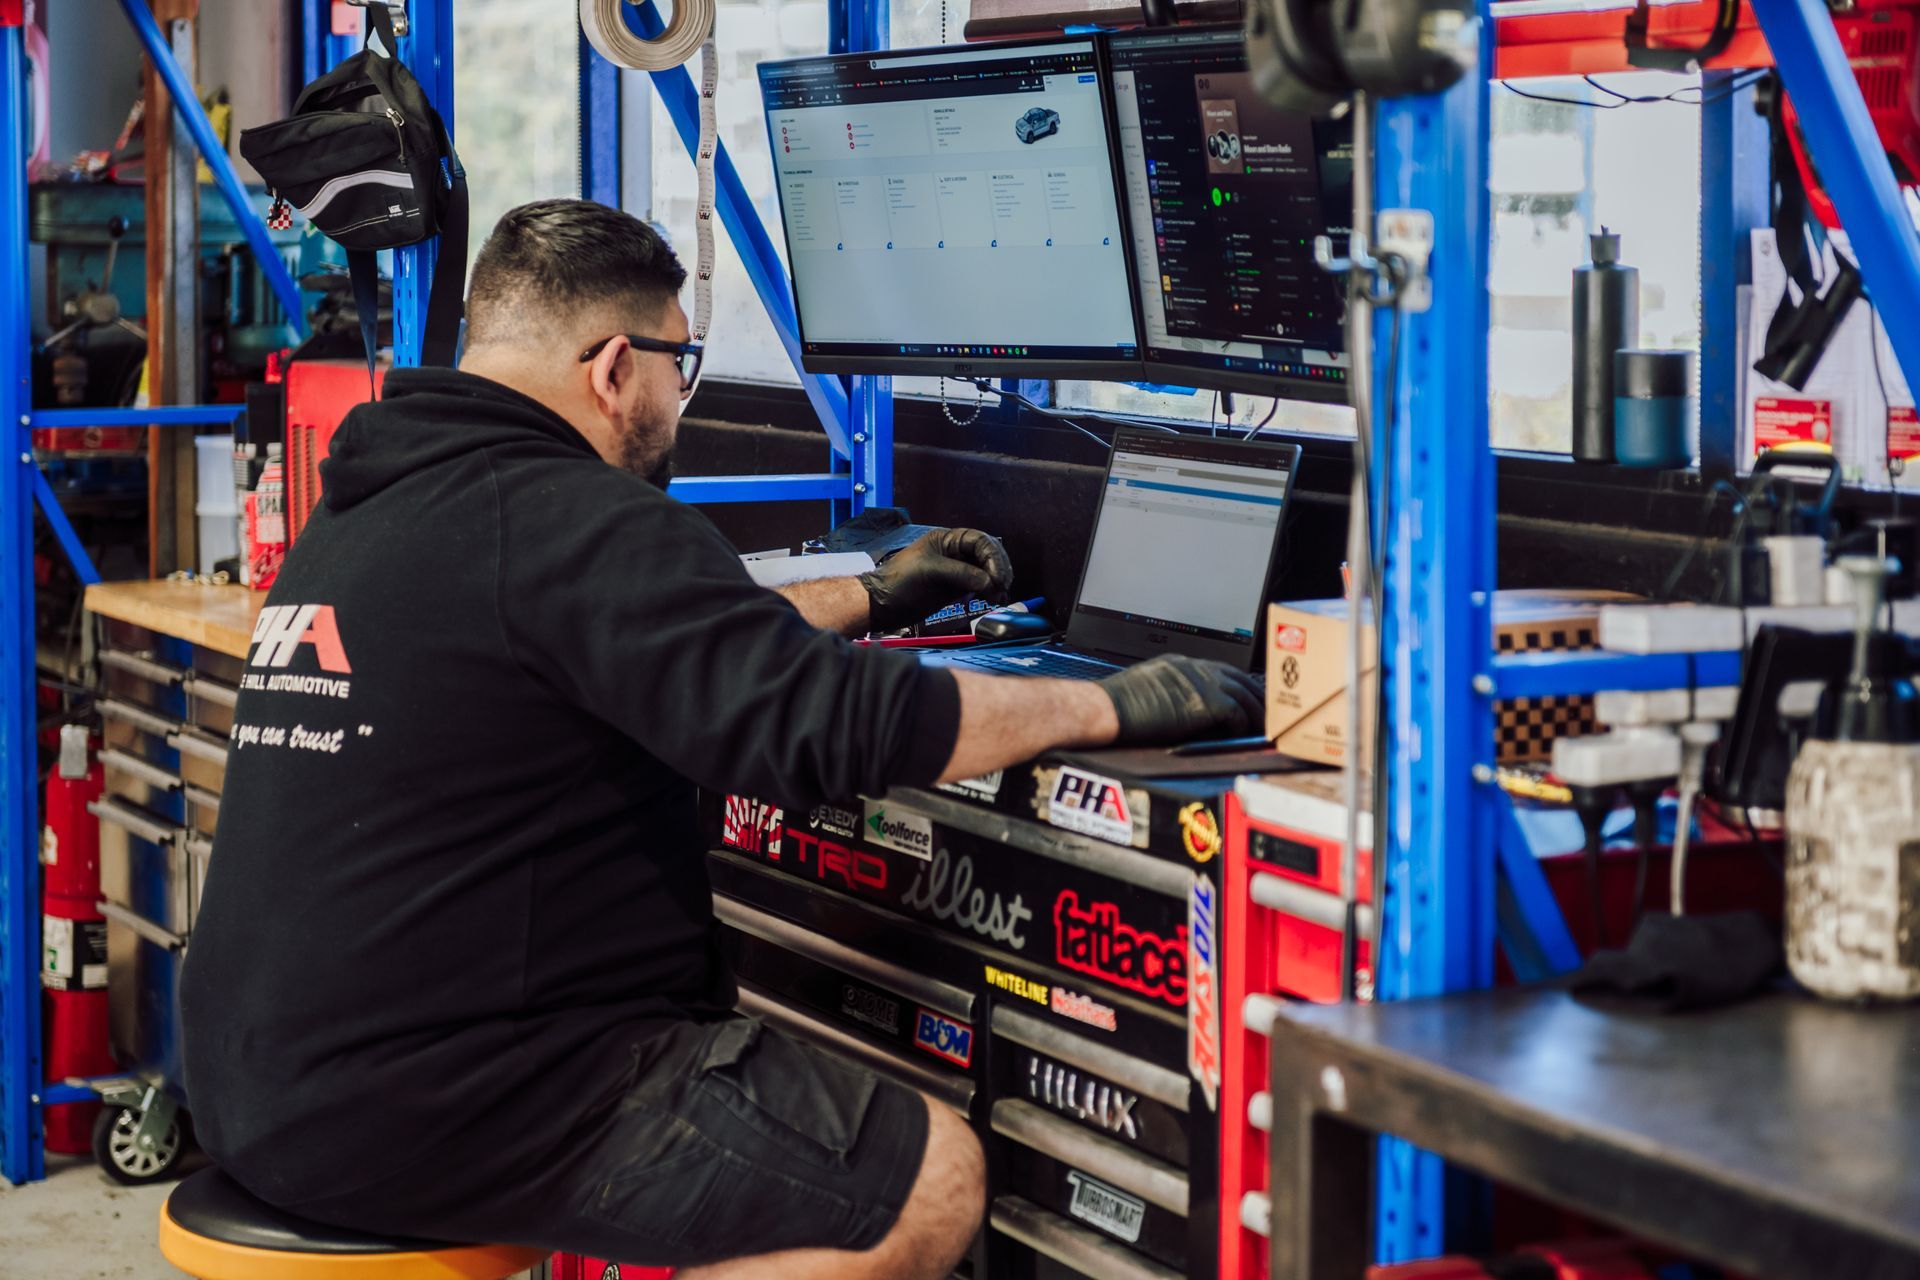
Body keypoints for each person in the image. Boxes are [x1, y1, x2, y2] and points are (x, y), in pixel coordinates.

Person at [180, 199, 1261, 1279]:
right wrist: (1117, 703)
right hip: (437, 1100)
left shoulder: (383, 500)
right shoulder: (575, 515)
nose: (677, 396)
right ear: (613, 366)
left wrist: (875, 594)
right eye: (678, 362)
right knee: (927, 1179)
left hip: (259, 1081)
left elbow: (651, 637)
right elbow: (840, 725)